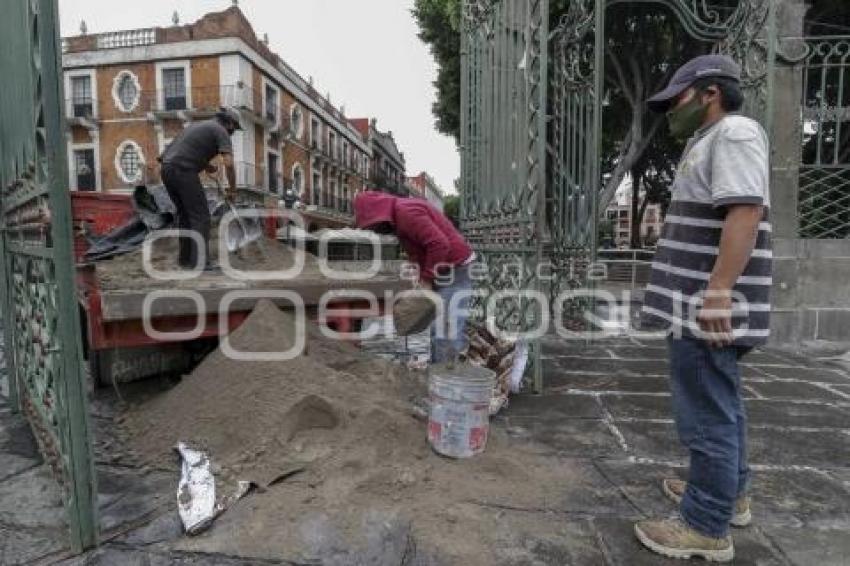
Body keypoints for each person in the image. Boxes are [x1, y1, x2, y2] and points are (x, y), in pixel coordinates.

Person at [635, 54, 772, 562]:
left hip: (705, 307)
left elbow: (745, 210)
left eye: (677, 99)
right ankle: (728, 495)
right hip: (701, 303)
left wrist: (718, 293)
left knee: (705, 414)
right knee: (722, 403)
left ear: (709, 92)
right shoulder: (714, 139)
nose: (672, 110)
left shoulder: (733, 134)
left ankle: (704, 524)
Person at [354, 191, 475, 362]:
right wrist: (419, 275)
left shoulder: (406, 213)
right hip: (446, 269)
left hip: (456, 268)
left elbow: (439, 244)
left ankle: (448, 380)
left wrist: (426, 279)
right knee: (438, 329)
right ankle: (438, 372)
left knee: (446, 330)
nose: (375, 231)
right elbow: (418, 251)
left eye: (373, 226)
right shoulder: (400, 219)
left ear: (379, 215)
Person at [159, 107, 242, 271]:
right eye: (235, 128)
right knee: (201, 216)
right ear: (230, 123)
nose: (233, 132)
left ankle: (185, 260)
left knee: (185, 216)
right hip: (184, 171)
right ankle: (200, 262)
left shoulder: (197, 126)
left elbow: (176, 152)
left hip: (167, 170)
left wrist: (206, 165)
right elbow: (229, 164)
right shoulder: (221, 130)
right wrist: (232, 190)